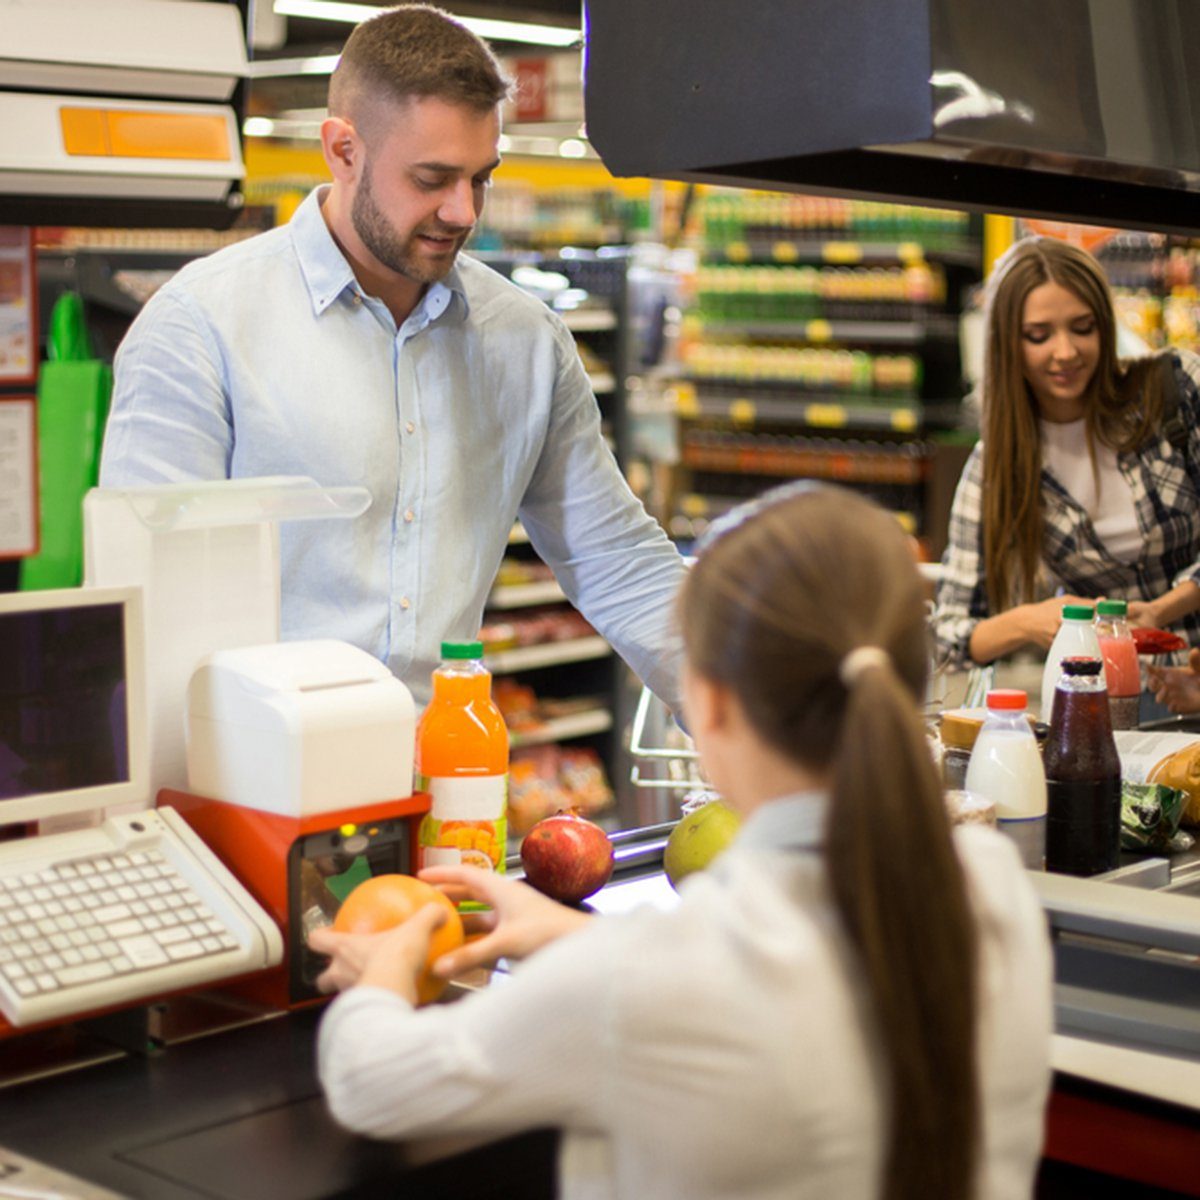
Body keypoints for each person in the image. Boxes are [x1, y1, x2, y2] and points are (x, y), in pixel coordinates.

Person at [310, 484, 1053, 1200]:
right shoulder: (989, 880)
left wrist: (384, 967)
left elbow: (372, 1083)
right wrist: (574, 939)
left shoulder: (642, 979)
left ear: (711, 708)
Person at [99, 5, 686, 710]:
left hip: (444, 783)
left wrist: (769, 716)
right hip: (254, 786)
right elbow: (146, 606)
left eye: (481, 177)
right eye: (433, 179)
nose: (465, 211)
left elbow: (617, 559)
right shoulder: (202, 326)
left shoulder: (524, 342)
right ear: (343, 150)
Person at [933, 236, 1200, 676]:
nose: (1065, 352)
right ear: (1007, 344)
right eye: (1039, 335)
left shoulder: (1174, 388)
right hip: (1111, 710)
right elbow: (949, 638)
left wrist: (1164, 609)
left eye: (1083, 328)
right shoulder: (999, 463)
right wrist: (1030, 620)